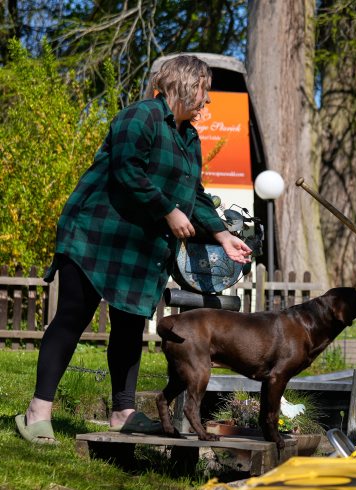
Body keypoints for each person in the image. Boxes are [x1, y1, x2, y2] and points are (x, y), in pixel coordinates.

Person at [15, 55, 253, 444]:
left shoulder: (190, 138)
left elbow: (194, 196)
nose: (206, 101)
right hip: (96, 234)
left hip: (140, 247)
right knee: (72, 317)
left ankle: (122, 412)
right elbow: (128, 170)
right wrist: (168, 210)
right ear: (182, 84)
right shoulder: (140, 117)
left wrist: (222, 235)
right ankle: (37, 412)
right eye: (203, 91)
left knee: (128, 327)